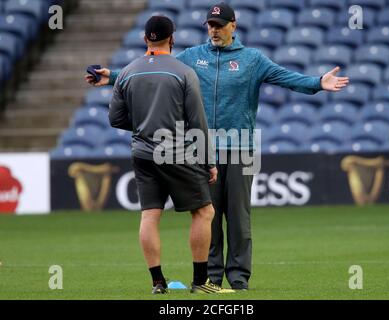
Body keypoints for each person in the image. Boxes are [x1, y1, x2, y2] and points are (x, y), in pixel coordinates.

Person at [86, 3, 349, 290]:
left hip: (243, 148)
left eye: (220, 25)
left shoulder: (253, 59)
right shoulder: (191, 57)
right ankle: (211, 278)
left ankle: (238, 279)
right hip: (200, 147)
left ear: (233, 26)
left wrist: (317, 83)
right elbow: (154, 68)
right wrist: (111, 76)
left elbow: (285, 77)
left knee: (239, 218)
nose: (214, 30)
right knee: (207, 217)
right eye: (210, 25)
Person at [108, 15, 234, 294]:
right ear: (172, 38)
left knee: (150, 216)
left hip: (141, 153)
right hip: (175, 151)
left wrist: (144, 124)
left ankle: (157, 283)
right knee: (204, 211)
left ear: (145, 39)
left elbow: (115, 118)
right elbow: (197, 122)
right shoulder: (183, 72)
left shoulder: (127, 72)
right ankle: (201, 282)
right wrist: (208, 162)